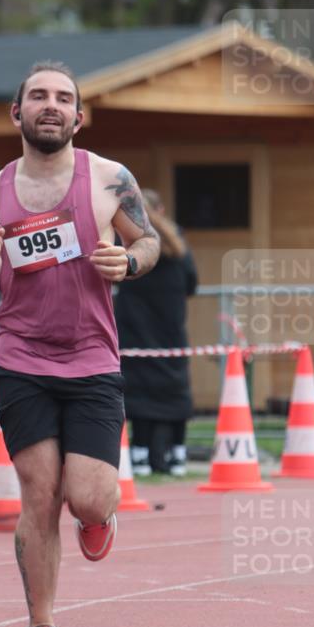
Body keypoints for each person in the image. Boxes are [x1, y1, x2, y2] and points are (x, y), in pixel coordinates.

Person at [0, 60, 160, 627]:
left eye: (63, 98)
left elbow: (146, 241)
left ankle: (99, 518)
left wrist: (131, 264)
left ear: (78, 116)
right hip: (22, 359)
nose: (51, 106)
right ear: (16, 113)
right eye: (38, 96)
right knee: (39, 496)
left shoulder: (110, 179)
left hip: (93, 359)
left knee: (88, 499)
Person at [115, 189, 198, 476]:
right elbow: (192, 285)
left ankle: (139, 455)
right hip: (171, 333)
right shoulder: (178, 247)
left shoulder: (126, 246)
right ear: (160, 210)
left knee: (138, 393)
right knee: (174, 391)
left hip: (134, 334)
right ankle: (176, 454)